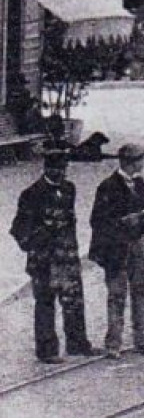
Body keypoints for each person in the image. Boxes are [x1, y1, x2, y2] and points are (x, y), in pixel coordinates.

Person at [9, 147, 93, 363]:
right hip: (44, 260)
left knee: (73, 299)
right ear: (46, 168)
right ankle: (47, 350)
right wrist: (37, 245)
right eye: (55, 168)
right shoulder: (31, 194)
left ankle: (77, 343)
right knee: (45, 303)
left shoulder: (68, 189)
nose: (60, 173)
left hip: (67, 257)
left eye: (63, 168)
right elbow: (19, 228)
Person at [88, 144, 144, 359]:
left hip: (137, 245)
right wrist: (124, 222)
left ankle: (142, 339)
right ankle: (113, 344)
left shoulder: (139, 182)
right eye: (140, 160)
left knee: (142, 292)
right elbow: (97, 221)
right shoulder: (107, 186)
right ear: (131, 162)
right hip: (116, 250)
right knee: (117, 295)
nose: (143, 164)